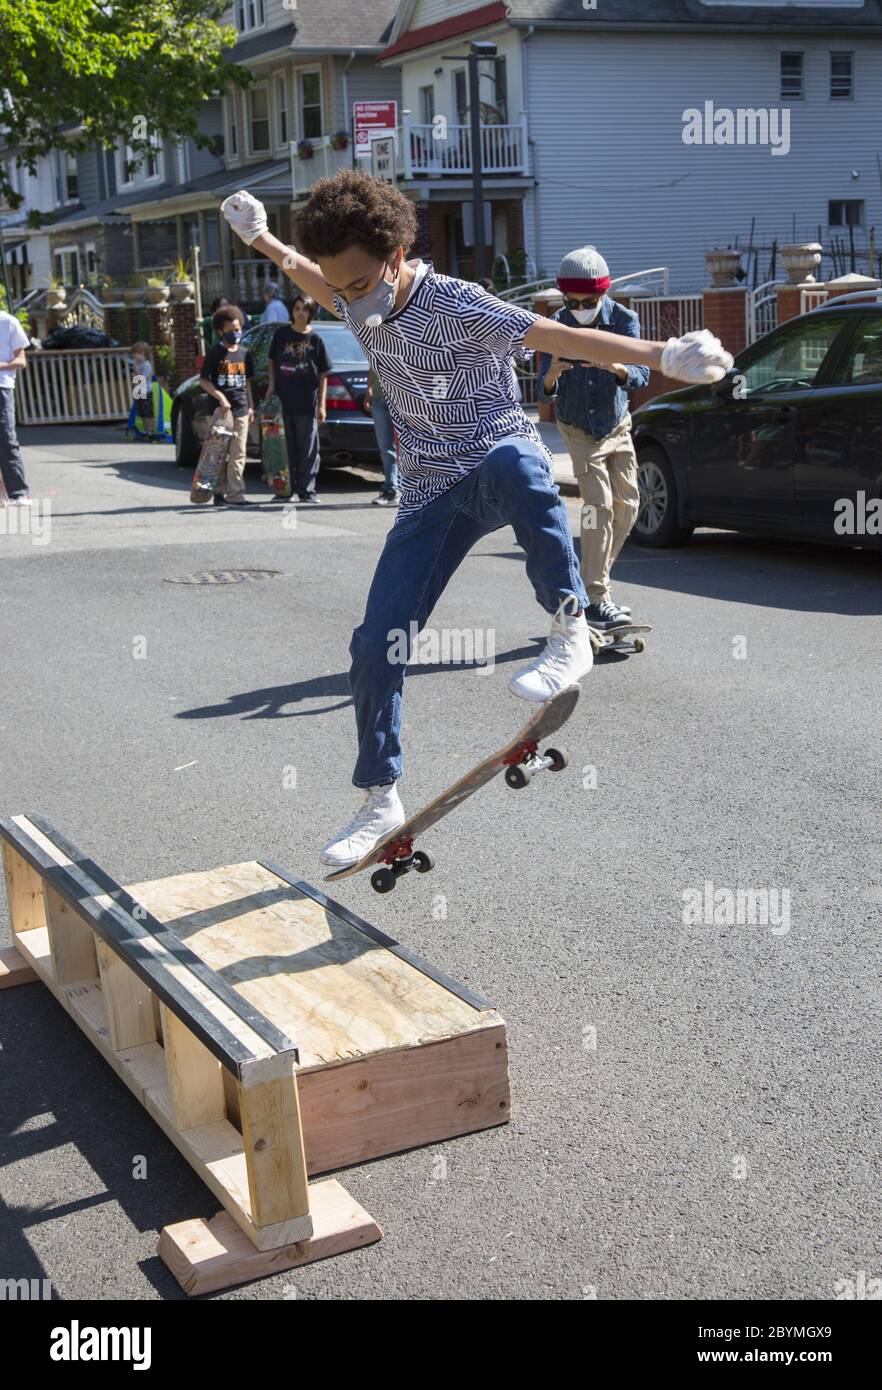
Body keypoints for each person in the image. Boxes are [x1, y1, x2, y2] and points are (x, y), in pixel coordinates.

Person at [221, 173, 732, 868]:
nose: (352, 302)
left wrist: (661, 356)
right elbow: (307, 273)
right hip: (430, 491)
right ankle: (378, 798)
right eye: (343, 293)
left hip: (493, 459)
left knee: (521, 468)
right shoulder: (350, 297)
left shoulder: (458, 303)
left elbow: (559, 337)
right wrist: (259, 237)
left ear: (398, 255)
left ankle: (569, 625)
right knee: (375, 646)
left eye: (363, 283)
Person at [537, 246, 648, 631]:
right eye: (571, 300)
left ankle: (587, 587)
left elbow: (641, 373)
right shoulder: (554, 326)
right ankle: (598, 598)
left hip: (617, 425)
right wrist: (552, 375)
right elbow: (543, 389)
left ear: (603, 293)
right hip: (577, 428)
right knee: (597, 506)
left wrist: (616, 366)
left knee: (628, 507)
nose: (580, 307)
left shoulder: (623, 320)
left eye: (589, 300)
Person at [266, 293, 330, 503]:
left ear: (311, 313)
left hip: (307, 403)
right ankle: (285, 490)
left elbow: (323, 374)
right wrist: (272, 386)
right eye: (297, 308)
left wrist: (322, 404)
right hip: (283, 402)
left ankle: (307, 490)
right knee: (285, 449)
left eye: (305, 309)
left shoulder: (316, 339)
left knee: (308, 450)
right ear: (292, 311)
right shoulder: (281, 335)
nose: (300, 312)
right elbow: (272, 362)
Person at [198, 305, 254, 507]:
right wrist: (220, 396)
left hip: (240, 410)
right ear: (221, 331)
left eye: (237, 329)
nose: (235, 333)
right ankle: (218, 492)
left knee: (239, 454)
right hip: (220, 412)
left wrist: (250, 407)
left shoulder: (245, 354)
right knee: (219, 452)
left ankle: (236, 495)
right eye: (230, 330)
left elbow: (247, 382)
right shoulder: (215, 353)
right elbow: (204, 380)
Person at [0, 306, 30, 503]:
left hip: (2, 386)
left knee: (6, 437)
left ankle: (19, 492)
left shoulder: (8, 322)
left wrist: (2, 365)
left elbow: (21, 361)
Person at [363, 367, 400, 506]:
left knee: (404, 446)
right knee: (386, 447)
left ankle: (404, 488)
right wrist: (369, 389)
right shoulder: (380, 344)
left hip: (402, 399)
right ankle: (391, 489)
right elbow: (374, 363)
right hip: (379, 397)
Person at [129, 341, 155, 438]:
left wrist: (136, 372)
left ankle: (152, 431)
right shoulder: (139, 365)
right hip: (139, 391)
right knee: (142, 413)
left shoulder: (146, 365)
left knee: (149, 413)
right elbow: (135, 379)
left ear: (142, 353)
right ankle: (145, 431)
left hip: (146, 392)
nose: (134, 357)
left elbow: (143, 379)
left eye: (135, 354)